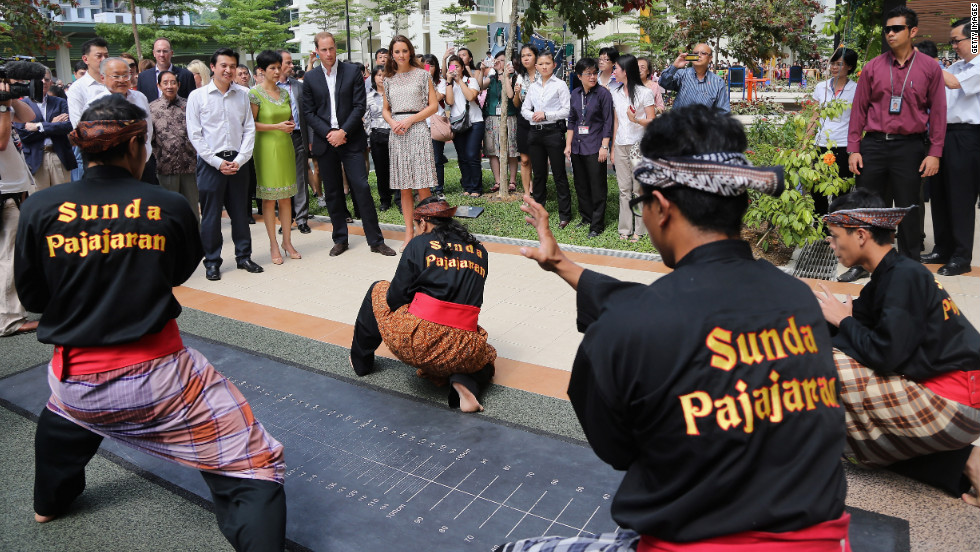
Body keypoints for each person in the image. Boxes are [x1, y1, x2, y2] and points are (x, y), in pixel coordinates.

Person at [502, 105, 848, 551]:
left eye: (640, 203)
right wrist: (562, 264)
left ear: (661, 207)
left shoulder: (628, 330)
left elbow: (617, 449)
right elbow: (666, 310)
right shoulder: (799, 300)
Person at [13, 95, 287, 549]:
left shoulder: (40, 209)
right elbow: (176, 272)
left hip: (76, 379)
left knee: (62, 417)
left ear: (84, 146)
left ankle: (48, 503)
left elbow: (35, 296)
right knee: (253, 461)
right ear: (138, 144)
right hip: (160, 378)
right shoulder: (168, 205)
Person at [816, 188, 980, 507]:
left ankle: (965, 460)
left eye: (835, 236)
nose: (830, 243)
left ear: (861, 235)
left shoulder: (904, 276)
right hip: (953, 402)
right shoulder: (889, 276)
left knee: (817, 368)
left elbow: (883, 355)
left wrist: (844, 320)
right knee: (851, 438)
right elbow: (838, 330)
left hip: (956, 403)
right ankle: (966, 464)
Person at [350, 197, 496, 413]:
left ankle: (360, 362)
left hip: (416, 339)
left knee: (378, 289)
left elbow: (395, 296)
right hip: (461, 347)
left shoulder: (420, 243)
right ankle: (464, 384)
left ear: (424, 222)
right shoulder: (480, 251)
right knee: (487, 357)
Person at [845, 6, 945, 281]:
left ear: (912, 31)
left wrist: (935, 152)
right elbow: (858, 109)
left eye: (896, 28)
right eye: (887, 29)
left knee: (908, 208)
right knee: (867, 207)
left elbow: (938, 113)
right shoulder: (874, 67)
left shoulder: (929, 68)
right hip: (874, 145)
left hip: (909, 147)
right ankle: (863, 262)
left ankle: (909, 265)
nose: (890, 33)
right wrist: (854, 147)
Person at [302, 32, 396, 257]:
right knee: (333, 192)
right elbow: (308, 112)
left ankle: (375, 240)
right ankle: (340, 239)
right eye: (324, 50)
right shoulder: (311, 78)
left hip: (351, 139)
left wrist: (343, 131)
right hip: (326, 143)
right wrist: (330, 133)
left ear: (336, 48)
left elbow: (358, 106)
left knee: (362, 188)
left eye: (332, 48)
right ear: (317, 51)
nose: (328, 53)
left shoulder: (352, 71)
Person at [186, 48, 263, 281]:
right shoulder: (197, 97)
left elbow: (249, 128)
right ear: (213, 67)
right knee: (211, 216)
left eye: (232, 66)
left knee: (241, 212)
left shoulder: (243, 94)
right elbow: (195, 135)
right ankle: (212, 261)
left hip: (239, 163)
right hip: (211, 164)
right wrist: (218, 162)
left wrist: (240, 160)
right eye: (223, 66)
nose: (228, 70)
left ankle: (244, 256)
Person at [922, 17, 979, 277]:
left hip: (966, 137)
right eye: (952, 41)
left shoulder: (977, 66)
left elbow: (954, 84)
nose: (953, 45)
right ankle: (942, 248)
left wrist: (925, 62)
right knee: (940, 195)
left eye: (957, 40)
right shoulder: (955, 66)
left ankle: (961, 255)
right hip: (942, 134)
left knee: (960, 198)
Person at [383, 35, 439, 250]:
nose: (401, 55)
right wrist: (392, 123)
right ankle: (409, 233)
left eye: (404, 51)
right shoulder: (388, 79)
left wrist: (409, 120)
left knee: (422, 185)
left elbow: (433, 106)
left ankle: (427, 232)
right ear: (392, 54)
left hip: (417, 130)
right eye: (397, 51)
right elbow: (386, 109)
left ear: (411, 52)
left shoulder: (423, 76)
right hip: (397, 133)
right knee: (404, 187)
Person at [249, 50, 301, 266]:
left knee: (286, 197)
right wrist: (275, 127)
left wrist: (287, 126)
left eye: (278, 67)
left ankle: (287, 242)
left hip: (285, 146)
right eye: (272, 68)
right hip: (265, 149)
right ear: (261, 71)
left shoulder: (285, 93)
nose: (277, 71)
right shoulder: (254, 94)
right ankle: (273, 244)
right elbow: (250, 125)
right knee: (270, 200)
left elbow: (289, 118)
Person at [0, 82, 39, 337]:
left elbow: (29, 116)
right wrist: (4, 105)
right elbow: (2, 141)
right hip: (4, 191)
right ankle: (9, 320)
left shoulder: (5, 105)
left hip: (12, 187)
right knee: (8, 255)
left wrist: (10, 100)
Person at [610, 54, 656, 242]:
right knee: (624, 189)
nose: (614, 72)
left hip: (639, 145)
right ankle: (625, 229)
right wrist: (613, 148)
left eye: (616, 69)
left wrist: (636, 119)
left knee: (638, 190)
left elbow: (652, 121)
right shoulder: (616, 93)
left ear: (626, 71)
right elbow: (616, 122)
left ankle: (640, 230)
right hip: (621, 144)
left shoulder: (645, 93)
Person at [522, 51, 571, 226]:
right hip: (535, 133)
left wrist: (546, 115)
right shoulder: (533, 87)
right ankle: (538, 212)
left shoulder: (560, 85)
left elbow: (567, 110)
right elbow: (524, 109)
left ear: (554, 65)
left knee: (559, 174)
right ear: (536, 67)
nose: (544, 67)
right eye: (541, 64)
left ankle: (565, 214)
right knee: (539, 175)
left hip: (553, 132)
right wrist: (533, 116)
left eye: (547, 64)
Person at [565, 57, 613, 238]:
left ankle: (597, 224)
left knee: (597, 186)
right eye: (588, 74)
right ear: (579, 76)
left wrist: (604, 146)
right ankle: (586, 217)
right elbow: (572, 120)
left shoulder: (603, 94)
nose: (593, 77)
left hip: (595, 146)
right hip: (577, 146)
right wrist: (568, 145)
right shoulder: (575, 94)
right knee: (581, 184)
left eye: (595, 73)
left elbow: (608, 121)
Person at [810, 47, 858, 215]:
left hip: (843, 145)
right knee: (817, 189)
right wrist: (805, 143)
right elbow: (814, 116)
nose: (834, 68)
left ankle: (839, 228)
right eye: (833, 63)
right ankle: (822, 227)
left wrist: (855, 149)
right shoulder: (821, 87)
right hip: (821, 144)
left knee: (841, 190)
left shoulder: (856, 89)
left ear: (850, 67)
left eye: (840, 64)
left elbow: (858, 121)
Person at [13, 68, 77, 190]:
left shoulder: (60, 102)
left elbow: (68, 126)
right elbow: (24, 134)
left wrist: (39, 126)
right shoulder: (22, 104)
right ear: (30, 81)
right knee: (39, 200)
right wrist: (52, 124)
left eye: (47, 79)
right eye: (39, 79)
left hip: (58, 155)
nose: (43, 82)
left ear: (51, 82)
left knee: (63, 199)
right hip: (36, 158)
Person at [149, 70, 199, 221]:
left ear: (179, 85)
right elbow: (149, 138)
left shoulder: (189, 105)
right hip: (165, 167)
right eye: (165, 83)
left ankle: (194, 242)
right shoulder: (151, 108)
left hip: (190, 166)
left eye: (173, 82)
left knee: (192, 211)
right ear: (159, 85)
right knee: (169, 211)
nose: (169, 86)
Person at [276, 50, 313, 235]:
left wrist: (310, 140)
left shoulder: (298, 87)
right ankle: (285, 219)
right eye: (288, 63)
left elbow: (308, 115)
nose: (292, 66)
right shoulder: (267, 89)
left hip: (298, 137)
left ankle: (301, 219)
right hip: (277, 140)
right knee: (282, 181)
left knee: (300, 179)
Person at [89, 58, 154, 165]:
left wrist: (144, 155)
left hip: (141, 162)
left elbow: (148, 129)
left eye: (125, 75)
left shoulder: (140, 97)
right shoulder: (95, 104)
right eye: (116, 76)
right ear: (102, 78)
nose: (122, 80)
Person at [66, 37, 109, 180]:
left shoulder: (114, 83)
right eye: (99, 56)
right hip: (94, 154)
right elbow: (78, 125)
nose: (104, 59)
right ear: (86, 59)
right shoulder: (77, 89)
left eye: (106, 56)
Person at [444, 54, 485, 197]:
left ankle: (476, 188)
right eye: (451, 66)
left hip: (475, 122)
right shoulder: (448, 84)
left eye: (457, 66)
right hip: (458, 123)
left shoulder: (471, 80)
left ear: (462, 68)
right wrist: (449, 82)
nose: (454, 69)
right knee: (462, 156)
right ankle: (467, 187)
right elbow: (449, 102)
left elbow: (471, 97)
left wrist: (460, 80)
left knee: (472, 155)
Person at [481, 50, 519, 194]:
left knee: (511, 151)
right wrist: (482, 70)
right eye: (497, 60)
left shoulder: (513, 77)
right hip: (491, 118)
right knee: (492, 151)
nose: (498, 62)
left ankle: (512, 181)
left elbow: (510, 95)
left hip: (509, 117)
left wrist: (504, 73)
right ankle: (498, 181)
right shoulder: (491, 78)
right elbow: (479, 86)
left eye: (502, 60)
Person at [659, 43, 731, 112]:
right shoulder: (682, 74)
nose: (699, 55)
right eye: (695, 53)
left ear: (710, 59)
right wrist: (674, 66)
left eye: (703, 53)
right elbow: (663, 83)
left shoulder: (717, 82)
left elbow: (723, 111)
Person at [366, 65, 394, 211]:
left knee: (396, 168)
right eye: (378, 75)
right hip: (377, 135)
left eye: (384, 75)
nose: (381, 78)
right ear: (374, 78)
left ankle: (400, 198)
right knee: (381, 170)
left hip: (395, 134)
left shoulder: (395, 94)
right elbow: (367, 119)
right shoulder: (369, 96)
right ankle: (385, 200)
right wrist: (368, 140)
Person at [512, 45, 539, 194]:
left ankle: (539, 190)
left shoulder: (543, 75)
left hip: (541, 120)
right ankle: (527, 193)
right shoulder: (520, 77)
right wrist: (516, 94)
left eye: (529, 55)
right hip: (524, 120)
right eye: (523, 56)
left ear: (536, 56)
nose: (526, 58)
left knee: (538, 159)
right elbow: (516, 103)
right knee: (525, 159)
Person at [422, 53, 449, 198]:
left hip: (435, 124)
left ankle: (438, 188)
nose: (428, 68)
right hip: (421, 124)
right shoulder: (417, 81)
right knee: (424, 158)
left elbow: (437, 98)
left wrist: (429, 82)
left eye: (431, 65)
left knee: (437, 158)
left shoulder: (441, 82)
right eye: (425, 65)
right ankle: (427, 188)